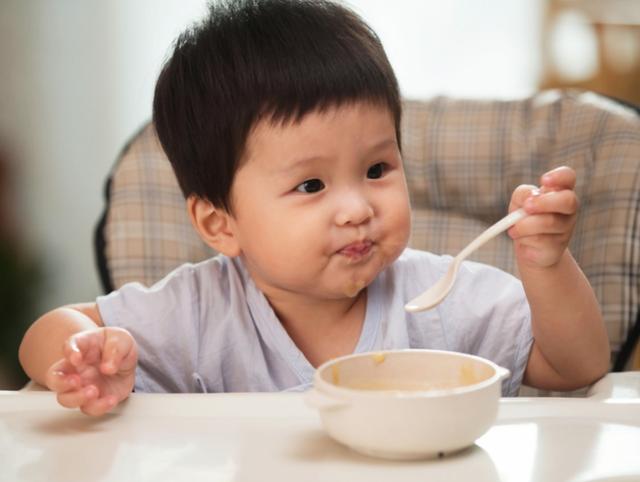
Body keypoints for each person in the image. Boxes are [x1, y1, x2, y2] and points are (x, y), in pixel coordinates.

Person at [19, 0, 609, 416]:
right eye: (311, 186)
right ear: (219, 224)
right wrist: (84, 358)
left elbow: (575, 368)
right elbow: (49, 331)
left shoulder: (446, 301)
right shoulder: (199, 313)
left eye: (377, 170)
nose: (356, 208)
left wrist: (546, 265)